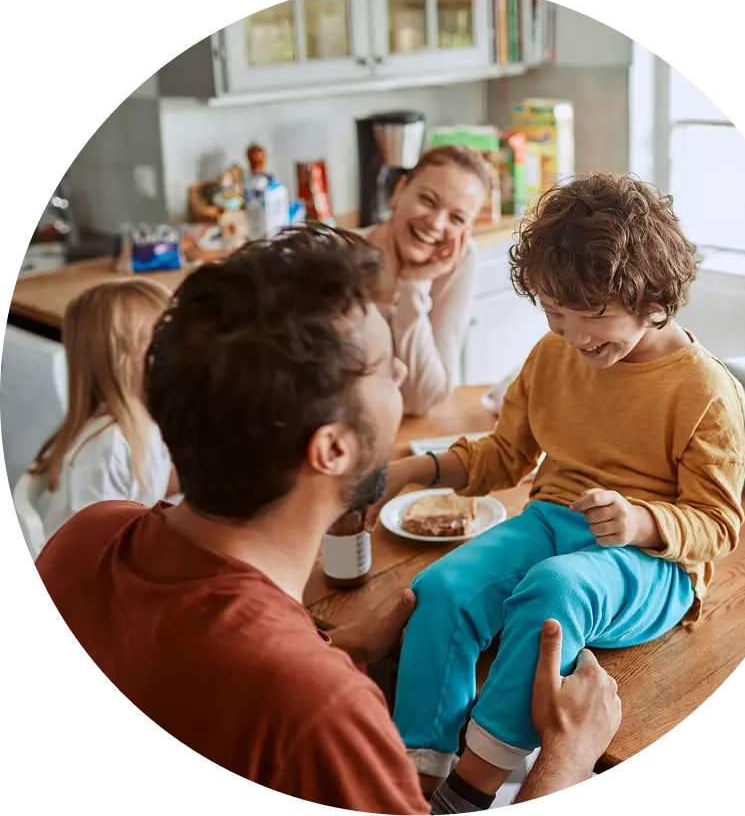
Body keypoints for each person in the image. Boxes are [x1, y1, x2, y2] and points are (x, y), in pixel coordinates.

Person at [34, 227, 620, 815]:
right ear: (333, 450)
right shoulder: (321, 715)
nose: (399, 373)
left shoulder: (89, 535)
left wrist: (333, 646)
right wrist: (566, 761)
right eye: (380, 366)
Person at [365, 172, 745, 799]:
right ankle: (415, 776)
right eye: (553, 313)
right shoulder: (554, 354)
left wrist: (639, 522)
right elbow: (507, 455)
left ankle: (469, 789)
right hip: (549, 521)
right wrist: (405, 473)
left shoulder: (705, 390)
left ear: (655, 300)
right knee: (440, 589)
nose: (573, 336)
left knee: (555, 588)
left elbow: (717, 525)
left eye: (592, 315)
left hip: (652, 565)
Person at [31, 278, 179, 541]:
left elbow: (151, 484)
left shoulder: (142, 426)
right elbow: (91, 550)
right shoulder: (109, 448)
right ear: (116, 362)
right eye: (158, 345)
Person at [366, 145, 490, 416]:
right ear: (399, 191)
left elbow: (425, 399)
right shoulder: (339, 253)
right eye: (428, 200)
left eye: (456, 218)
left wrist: (413, 285)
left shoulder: (459, 260)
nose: (435, 223)